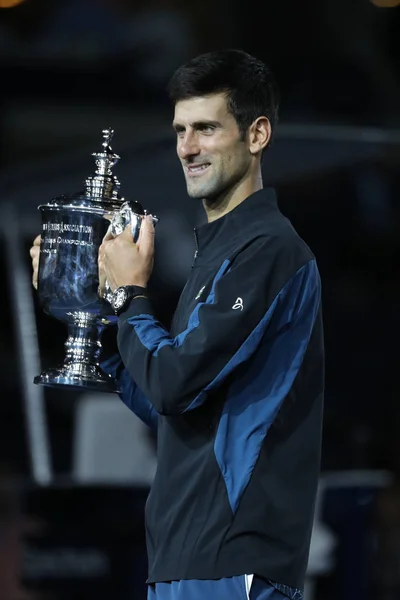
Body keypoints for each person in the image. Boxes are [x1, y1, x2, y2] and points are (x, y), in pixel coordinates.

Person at [30, 49, 324, 600]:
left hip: (233, 560)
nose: (187, 147)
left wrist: (130, 294)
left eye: (207, 128)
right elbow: (170, 410)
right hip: (184, 557)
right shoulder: (221, 254)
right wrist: (91, 315)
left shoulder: (270, 251)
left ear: (256, 134)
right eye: (181, 130)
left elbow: (172, 383)